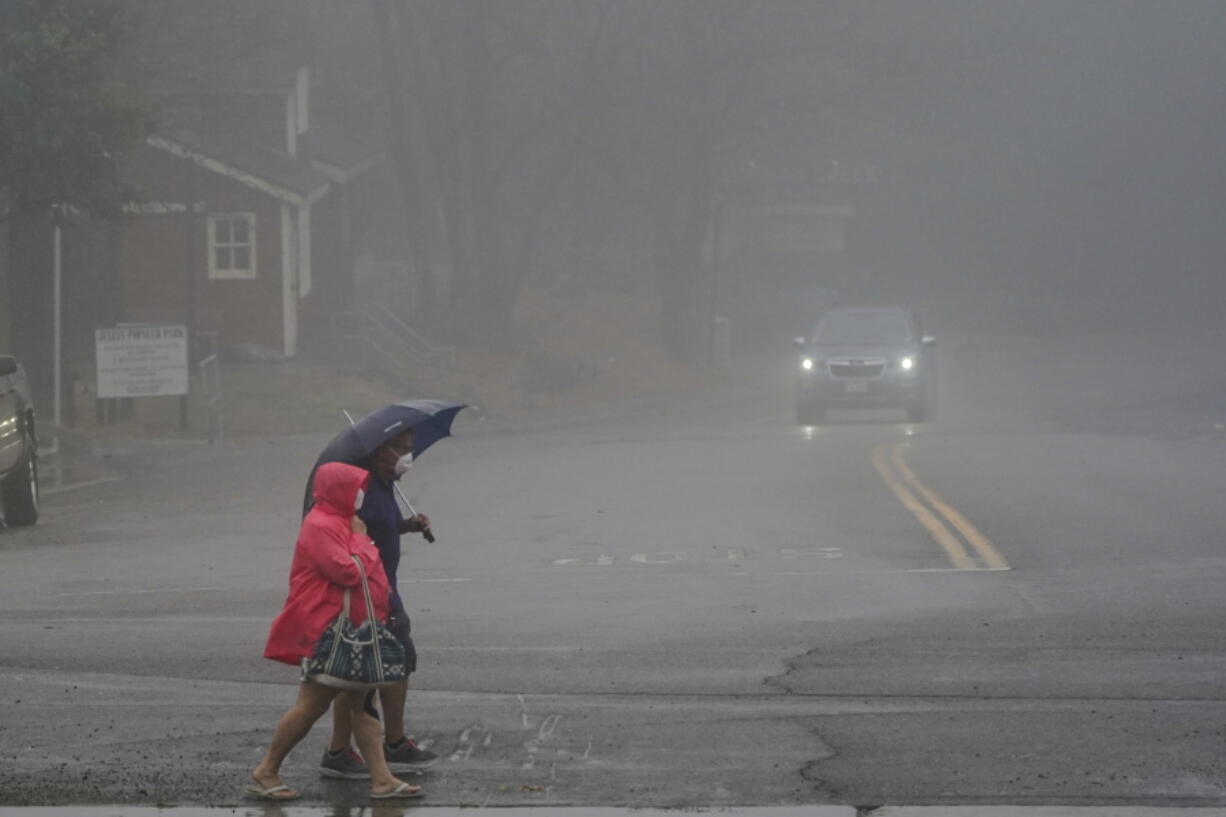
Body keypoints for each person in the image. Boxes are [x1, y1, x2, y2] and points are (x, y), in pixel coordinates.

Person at [247, 461, 422, 801]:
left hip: (352, 632)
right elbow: (347, 571)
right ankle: (265, 771)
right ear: (337, 489)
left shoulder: (343, 522)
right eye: (356, 486)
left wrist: (358, 536)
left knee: (361, 703)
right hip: (327, 634)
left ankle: (382, 779)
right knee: (311, 705)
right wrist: (361, 540)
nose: (361, 494)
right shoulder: (321, 525)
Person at [318, 428, 439, 780]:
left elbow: (379, 529)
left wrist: (407, 526)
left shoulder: (385, 485)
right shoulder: (363, 489)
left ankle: (395, 743)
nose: (407, 456)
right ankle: (338, 751)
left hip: (387, 592)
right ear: (379, 451)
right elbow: (350, 537)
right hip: (368, 598)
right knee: (358, 679)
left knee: (397, 666)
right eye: (400, 448)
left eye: (410, 448)